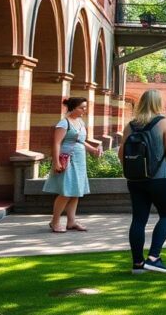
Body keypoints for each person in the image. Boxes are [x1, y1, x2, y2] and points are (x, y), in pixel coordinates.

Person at [119, 89, 166, 274]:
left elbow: (121, 153)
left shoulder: (131, 125)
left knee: (138, 219)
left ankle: (137, 264)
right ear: (158, 103)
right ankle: (154, 257)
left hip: (135, 179)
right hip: (160, 178)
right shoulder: (164, 123)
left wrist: (133, 170)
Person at [44, 97, 103, 233]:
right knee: (66, 191)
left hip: (79, 159)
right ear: (73, 108)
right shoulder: (64, 123)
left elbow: (81, 141)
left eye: (85, 107)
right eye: (82, 107)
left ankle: (71, 222)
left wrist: (93, 150)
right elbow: (56, 143)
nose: (84, 110)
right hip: (67, 160)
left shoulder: (80, 122)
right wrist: (56, 162)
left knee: (76, 191)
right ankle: (55, 221)